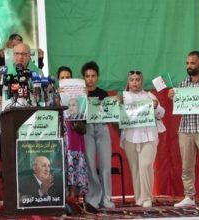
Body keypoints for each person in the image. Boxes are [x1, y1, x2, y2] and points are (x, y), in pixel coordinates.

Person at [168, 51, 199, 208]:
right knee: (186, 166)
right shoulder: (182, 84)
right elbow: (181, 107)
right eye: (187, 63)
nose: (189, 66)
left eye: (193, 63)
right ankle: (189, 196)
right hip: (186, 129)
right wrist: (173, 97)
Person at [119, 70, 165, 208]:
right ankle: (140, 198)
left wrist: (156, 106)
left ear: (142, 81)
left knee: (145, 166)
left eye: (137, 79)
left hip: (148, 136)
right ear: (128, 81)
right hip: (130, 137)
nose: (134, 82)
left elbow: (161, 114)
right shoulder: (123, 97)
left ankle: (147, 198)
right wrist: (117, 105)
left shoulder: (149, 95)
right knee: (135, 169)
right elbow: (115, 116)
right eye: (132, 79)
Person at [81, 61, 115, 209]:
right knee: (89, 164)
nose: (90, 79)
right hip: (86, 129)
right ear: (83, 77)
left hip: (102, 129)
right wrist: (83, 97)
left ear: (97, 77)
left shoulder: (103, 93)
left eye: (93, 76)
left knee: (106, 164)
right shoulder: (80, 94)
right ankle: (93, 198)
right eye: (87, 76)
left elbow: (108, 113)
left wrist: (114, 103)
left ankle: (107, 198)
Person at [57, 66, 89, 203]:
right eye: (62, 78)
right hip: (62, 132)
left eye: (67, 77)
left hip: (75, 131)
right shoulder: (54, 93)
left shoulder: (80, 93)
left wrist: (85, 95)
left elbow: (85, 112)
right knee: (64, 162)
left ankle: (74, 196)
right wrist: (57, 95)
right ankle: (65, 197)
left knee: (75, 162)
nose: (65, 80)